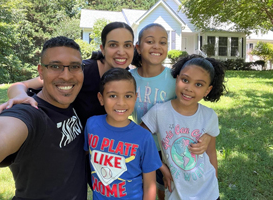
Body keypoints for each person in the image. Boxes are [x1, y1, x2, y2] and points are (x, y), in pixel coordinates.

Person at [0, 36, 87, 199]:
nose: (67, 76)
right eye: (56, 66)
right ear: (41, 71)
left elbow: (19, 85)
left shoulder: (70, 99)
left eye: (74, 67)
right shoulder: (32, 114)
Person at [0, 22, 135, 128]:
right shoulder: (78, 71)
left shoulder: (128, 77)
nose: (121, 52)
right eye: (113, 45)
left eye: (127, 45)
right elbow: (21, 85)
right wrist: (20, 96)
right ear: (102, 49)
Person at [130, 23, 211, 200]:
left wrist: (207, 137)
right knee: (147, 190)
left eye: (163, 42)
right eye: (150, 41)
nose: (157, 46)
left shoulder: (176, 79)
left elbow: (196, 113)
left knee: (166, 191)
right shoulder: (129, 79)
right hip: (143, 148)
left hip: (171, 150)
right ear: (138, 47)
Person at [141, 54, 226, 200]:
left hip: (208, 192)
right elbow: (138, 139)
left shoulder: (209, 116)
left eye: (198, 84)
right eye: (185, 80)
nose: (189, 88)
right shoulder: (159, 112)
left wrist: (214, 183)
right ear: (177, 78)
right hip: (176, 192)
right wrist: (160, 167)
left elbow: (211, 154)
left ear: (207, 90)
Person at [84, 68, 162, 199]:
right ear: (101, 98)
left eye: (128, 96)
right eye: (113, 96)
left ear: (135, 98)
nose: (121, 103)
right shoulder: (92, 125)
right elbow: (84, 155)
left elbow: (150, 185)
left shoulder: (144, 137)